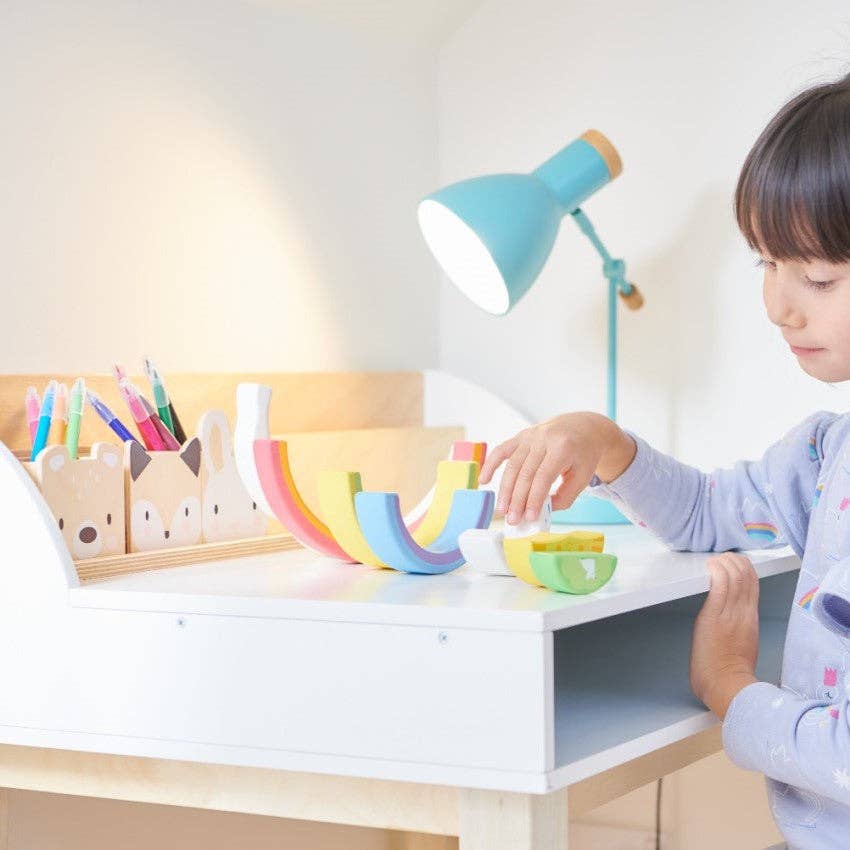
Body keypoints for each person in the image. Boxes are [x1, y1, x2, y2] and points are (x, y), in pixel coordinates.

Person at [478, 71, 850, 848]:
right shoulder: (827, 452)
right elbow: (711, 513)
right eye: (766, 265)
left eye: (815, 276)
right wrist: (605, 445)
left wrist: (731, 690)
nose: (778, 306)